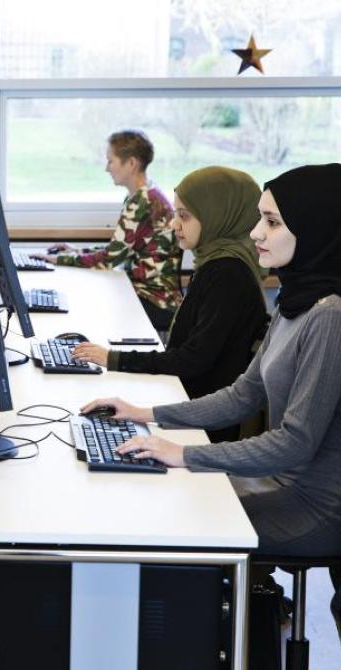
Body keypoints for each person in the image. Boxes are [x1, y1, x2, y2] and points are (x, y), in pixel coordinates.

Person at [82, 163, 341, 615]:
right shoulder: (295, 300)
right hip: (275, 483)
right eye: (260, 218)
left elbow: (296, 443)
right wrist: (146, 413)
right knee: (158, 495)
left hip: (314, 507)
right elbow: (244, 394)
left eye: (273, 222)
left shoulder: (329, 316)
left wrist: (184, 454)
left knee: (169, 518)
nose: (256, 232)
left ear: (318, 229)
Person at [72, 166, 268, 442]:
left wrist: (113, 359)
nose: (174, 224)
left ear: (216, 215)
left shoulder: (227, 273)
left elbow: (192, 359)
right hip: (186, 403)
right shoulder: (215, 262)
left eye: (184, 216)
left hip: (201, 424)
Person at [33, 130, 182, 331]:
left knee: (85, 306)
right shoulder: (145, 195)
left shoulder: (142, 201)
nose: (106, 168)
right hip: (146, 293)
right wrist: (75, 251)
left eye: (111, 161)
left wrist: (58, 259)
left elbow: (110, 259)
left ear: (131, 163)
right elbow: (118, 249)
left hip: (155, 301)